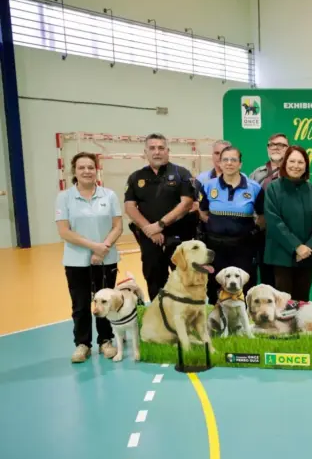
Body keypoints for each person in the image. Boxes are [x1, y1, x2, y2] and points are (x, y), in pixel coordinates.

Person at [55, 152, 122, 363]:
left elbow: (117, 226)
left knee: (106, 302)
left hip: (106, 259)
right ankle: (82, 344)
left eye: (90, 167)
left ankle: (106, 341)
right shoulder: (64, 197)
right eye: (82, 167)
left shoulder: (109, 195)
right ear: (74, 171)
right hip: (76, 261)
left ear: (96, 170)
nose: (87, 171)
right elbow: (64, 231)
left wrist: (104, 248)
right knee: (81, 304)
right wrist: (95, 247)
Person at [124, 133, 196, 301]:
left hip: (179, 238)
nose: (157, 152)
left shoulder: (181, 173)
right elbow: (129, 207)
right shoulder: (136, 177)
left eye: (161, 148)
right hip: (150, 240)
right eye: (152, 148)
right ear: (145, 152)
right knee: (155, 281)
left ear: (167, 151)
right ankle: (159, 320)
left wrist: (160, 225)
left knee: (185, 281)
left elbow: (186, 203)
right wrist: (150, 230)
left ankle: (186, 320)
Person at [198, 146, 262, 304]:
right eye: (225, 159)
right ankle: (216, 321)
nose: (229, 163)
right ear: (219, 163)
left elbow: (262, 216)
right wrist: (216, 225)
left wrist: (251, 233)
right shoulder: (208, 186)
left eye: (233, 160)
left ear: (240, 164)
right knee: (214, 284)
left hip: (243, 247)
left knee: (245, 285)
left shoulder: (254, 188)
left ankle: (246, 321)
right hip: (215, 247)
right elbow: (203, 211)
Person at [263, 145, 312, 301]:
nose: (296, 166)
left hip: (307, 256)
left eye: (300, 162)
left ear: (306, 165)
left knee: (303, 302)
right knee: (283, 304)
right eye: (292, 161)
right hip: (281, 256)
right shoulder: (273, 188)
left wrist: (308, 246)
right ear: (285, 163)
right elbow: (274, 221)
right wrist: (296, 246)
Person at [250, 133, 289, 287]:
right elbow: (247, 201)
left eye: (281, 145)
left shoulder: (295, 172)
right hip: (261, 236)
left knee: (284, 282)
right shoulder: (257, 173)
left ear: (288, 149)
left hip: (284, 237)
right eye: (272, 145)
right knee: (266, 280)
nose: (276, 148)